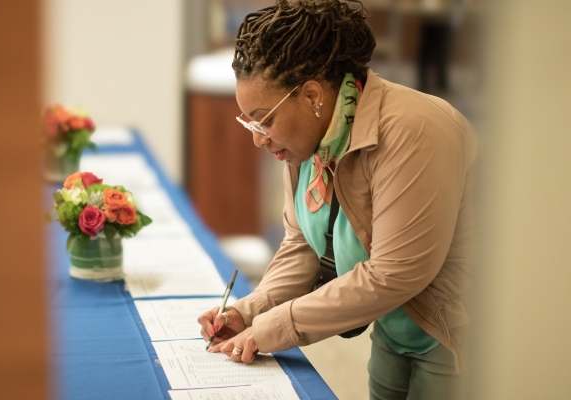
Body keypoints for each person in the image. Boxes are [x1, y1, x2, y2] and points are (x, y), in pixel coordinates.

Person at [197, 1, 478, 398]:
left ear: (312, 95)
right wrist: (249, 312)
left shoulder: (415, 131)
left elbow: (394, 273)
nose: (258, 138)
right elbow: (302, 246)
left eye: (264, 120)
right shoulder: (307, 139)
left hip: (456, 336)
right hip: (393, 325)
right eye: (250, 122)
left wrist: (272, 328)